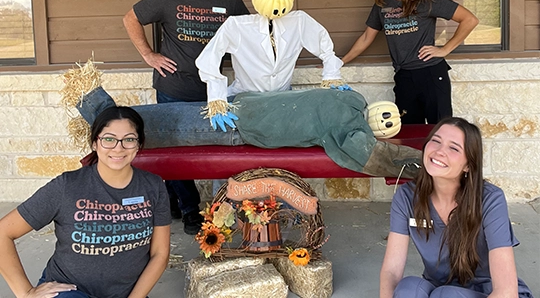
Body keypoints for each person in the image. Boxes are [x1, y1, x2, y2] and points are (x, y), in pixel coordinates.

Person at [123, 0, 250, 234]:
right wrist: (148, 55)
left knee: (215, 151)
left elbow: (248, 34)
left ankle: (191, 202)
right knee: (176, 153)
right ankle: (191, 209)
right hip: (173, 88)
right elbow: (131, 18)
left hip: (214, 91)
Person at [0, 106, 171, 298]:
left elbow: (160, 254)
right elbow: (3, 232)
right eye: (109, 139)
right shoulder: (67, 186)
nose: (118, 147)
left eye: (129, 139)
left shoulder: (153, 186)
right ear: (94, 143)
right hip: (71, 291)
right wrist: (25, 293)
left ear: (139, 144)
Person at [76, 86, 422, 181]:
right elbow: (373, 155)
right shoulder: (351, 119)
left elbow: (373, 153)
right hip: (236, 119)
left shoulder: (348, 97)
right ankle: (97, 119)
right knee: (162, 124)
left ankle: (96, 115)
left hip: (238, 113)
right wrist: (423, 164)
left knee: (160, 121)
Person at [379, 117, 534, 298]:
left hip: (490, 292)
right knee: (409, 289)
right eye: (435, 141)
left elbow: (506, 291)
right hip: (437, 289)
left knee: (447, 295)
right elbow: (391, 271)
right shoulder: (406, 197)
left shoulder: (490, 199)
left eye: (453, 148)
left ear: (468, 165)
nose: (439, 151)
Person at [342, 0, 479, 125]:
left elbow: (469, 19)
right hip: (404, 77)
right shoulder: (382, 4)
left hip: (431, 74)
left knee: (439, 132)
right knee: (409, 134)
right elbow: (367, 37)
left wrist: (444, 49)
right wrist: (341, 61)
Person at [195, 0, 350, 132]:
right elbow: (209, 58)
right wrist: (217, 101)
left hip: (283, 99)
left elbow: (325, 46)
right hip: (246, 99)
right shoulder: (237, 26)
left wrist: (332, 75)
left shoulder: (299, 21)